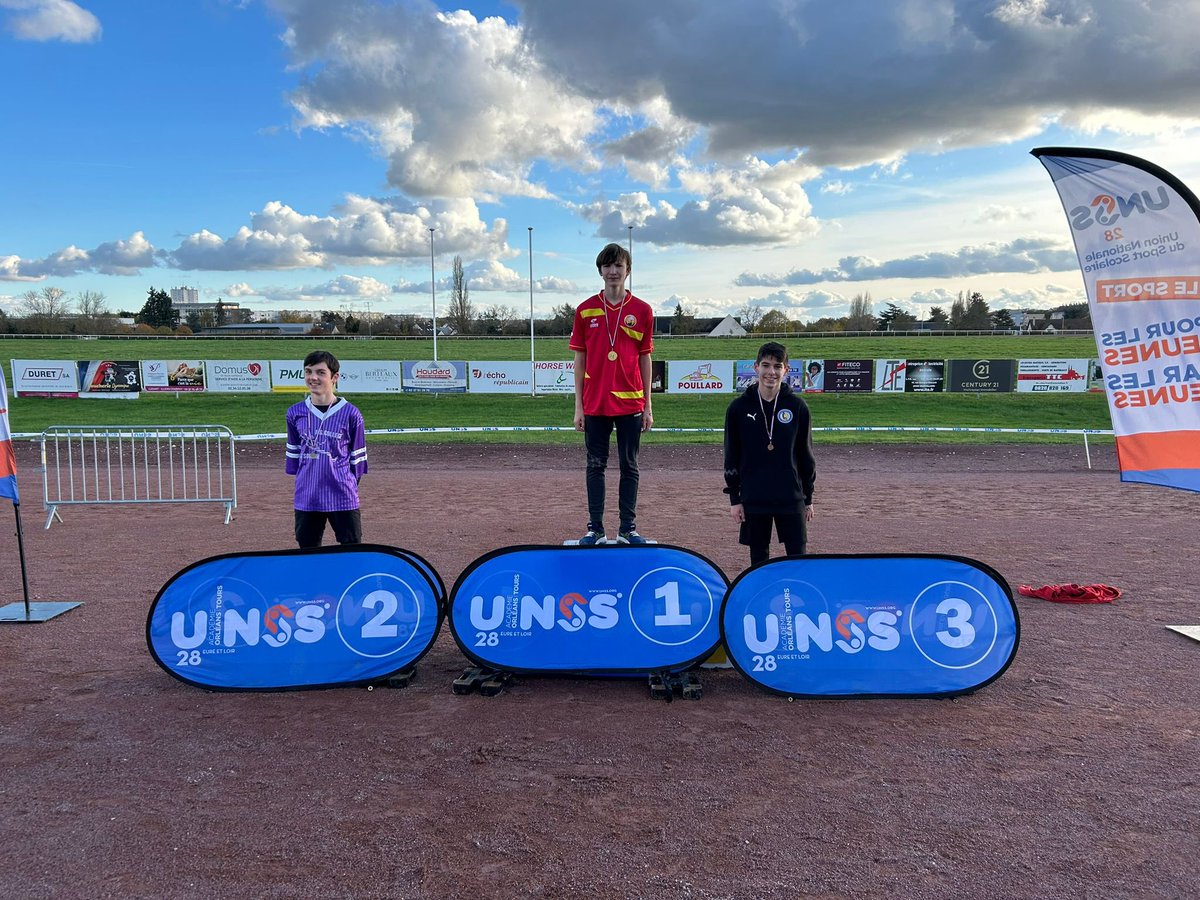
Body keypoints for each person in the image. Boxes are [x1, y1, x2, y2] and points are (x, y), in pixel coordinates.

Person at [569, 242, 654, 545]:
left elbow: (645, 358)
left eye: (618, 265)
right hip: (595, 402)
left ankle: (627, 529)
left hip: (631, 402)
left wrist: (648, 406)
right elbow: (579, 360)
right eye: (607, 266)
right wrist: (578, 407)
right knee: (595, 466)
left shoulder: (643, 310)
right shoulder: (585, 309)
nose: (613, 271)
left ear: (627, 271)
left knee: (630, 466)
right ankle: (596, 529)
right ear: (600, 271)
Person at [724, 341, 815, 566]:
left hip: (791, 496)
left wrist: (808, 498)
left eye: (777, 366)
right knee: (758, 562)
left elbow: (806, 455)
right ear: (756, 367)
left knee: (797, 559)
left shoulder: (797, 407)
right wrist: (735, 499)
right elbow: (732, 455)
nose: (771, 372)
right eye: (766, 365)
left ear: (786, 369)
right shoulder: (738, 408)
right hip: (754, 496)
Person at [285, 350, 368, 548]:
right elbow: (295, 458)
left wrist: (344, 482)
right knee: (308, 549)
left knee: (352, 548)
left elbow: (357, 461)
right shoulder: (295, 413)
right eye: (308, 372)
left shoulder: (351, 414)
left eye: (320, 372)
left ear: (334, 377)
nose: (313, 377)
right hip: (308, 496)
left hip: (342, 495)